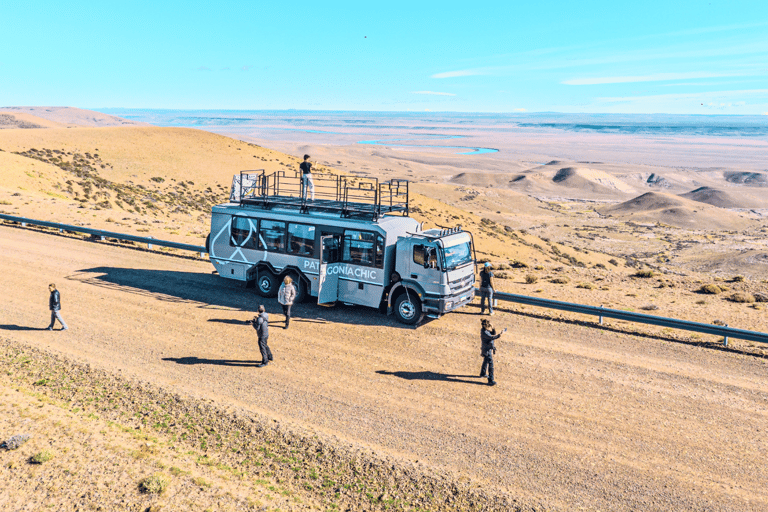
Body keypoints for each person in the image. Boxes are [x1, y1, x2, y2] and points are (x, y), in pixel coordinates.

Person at [480, 319, 506, 386]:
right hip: (487, 350)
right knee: (491, 365)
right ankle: (490, 380)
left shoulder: (484, 330)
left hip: (486, 349)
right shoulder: (485, 332)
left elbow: (493, 333)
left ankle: (482, 373)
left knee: (485, 361)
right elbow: (493, 337)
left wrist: (492, 327)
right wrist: (500, 334)